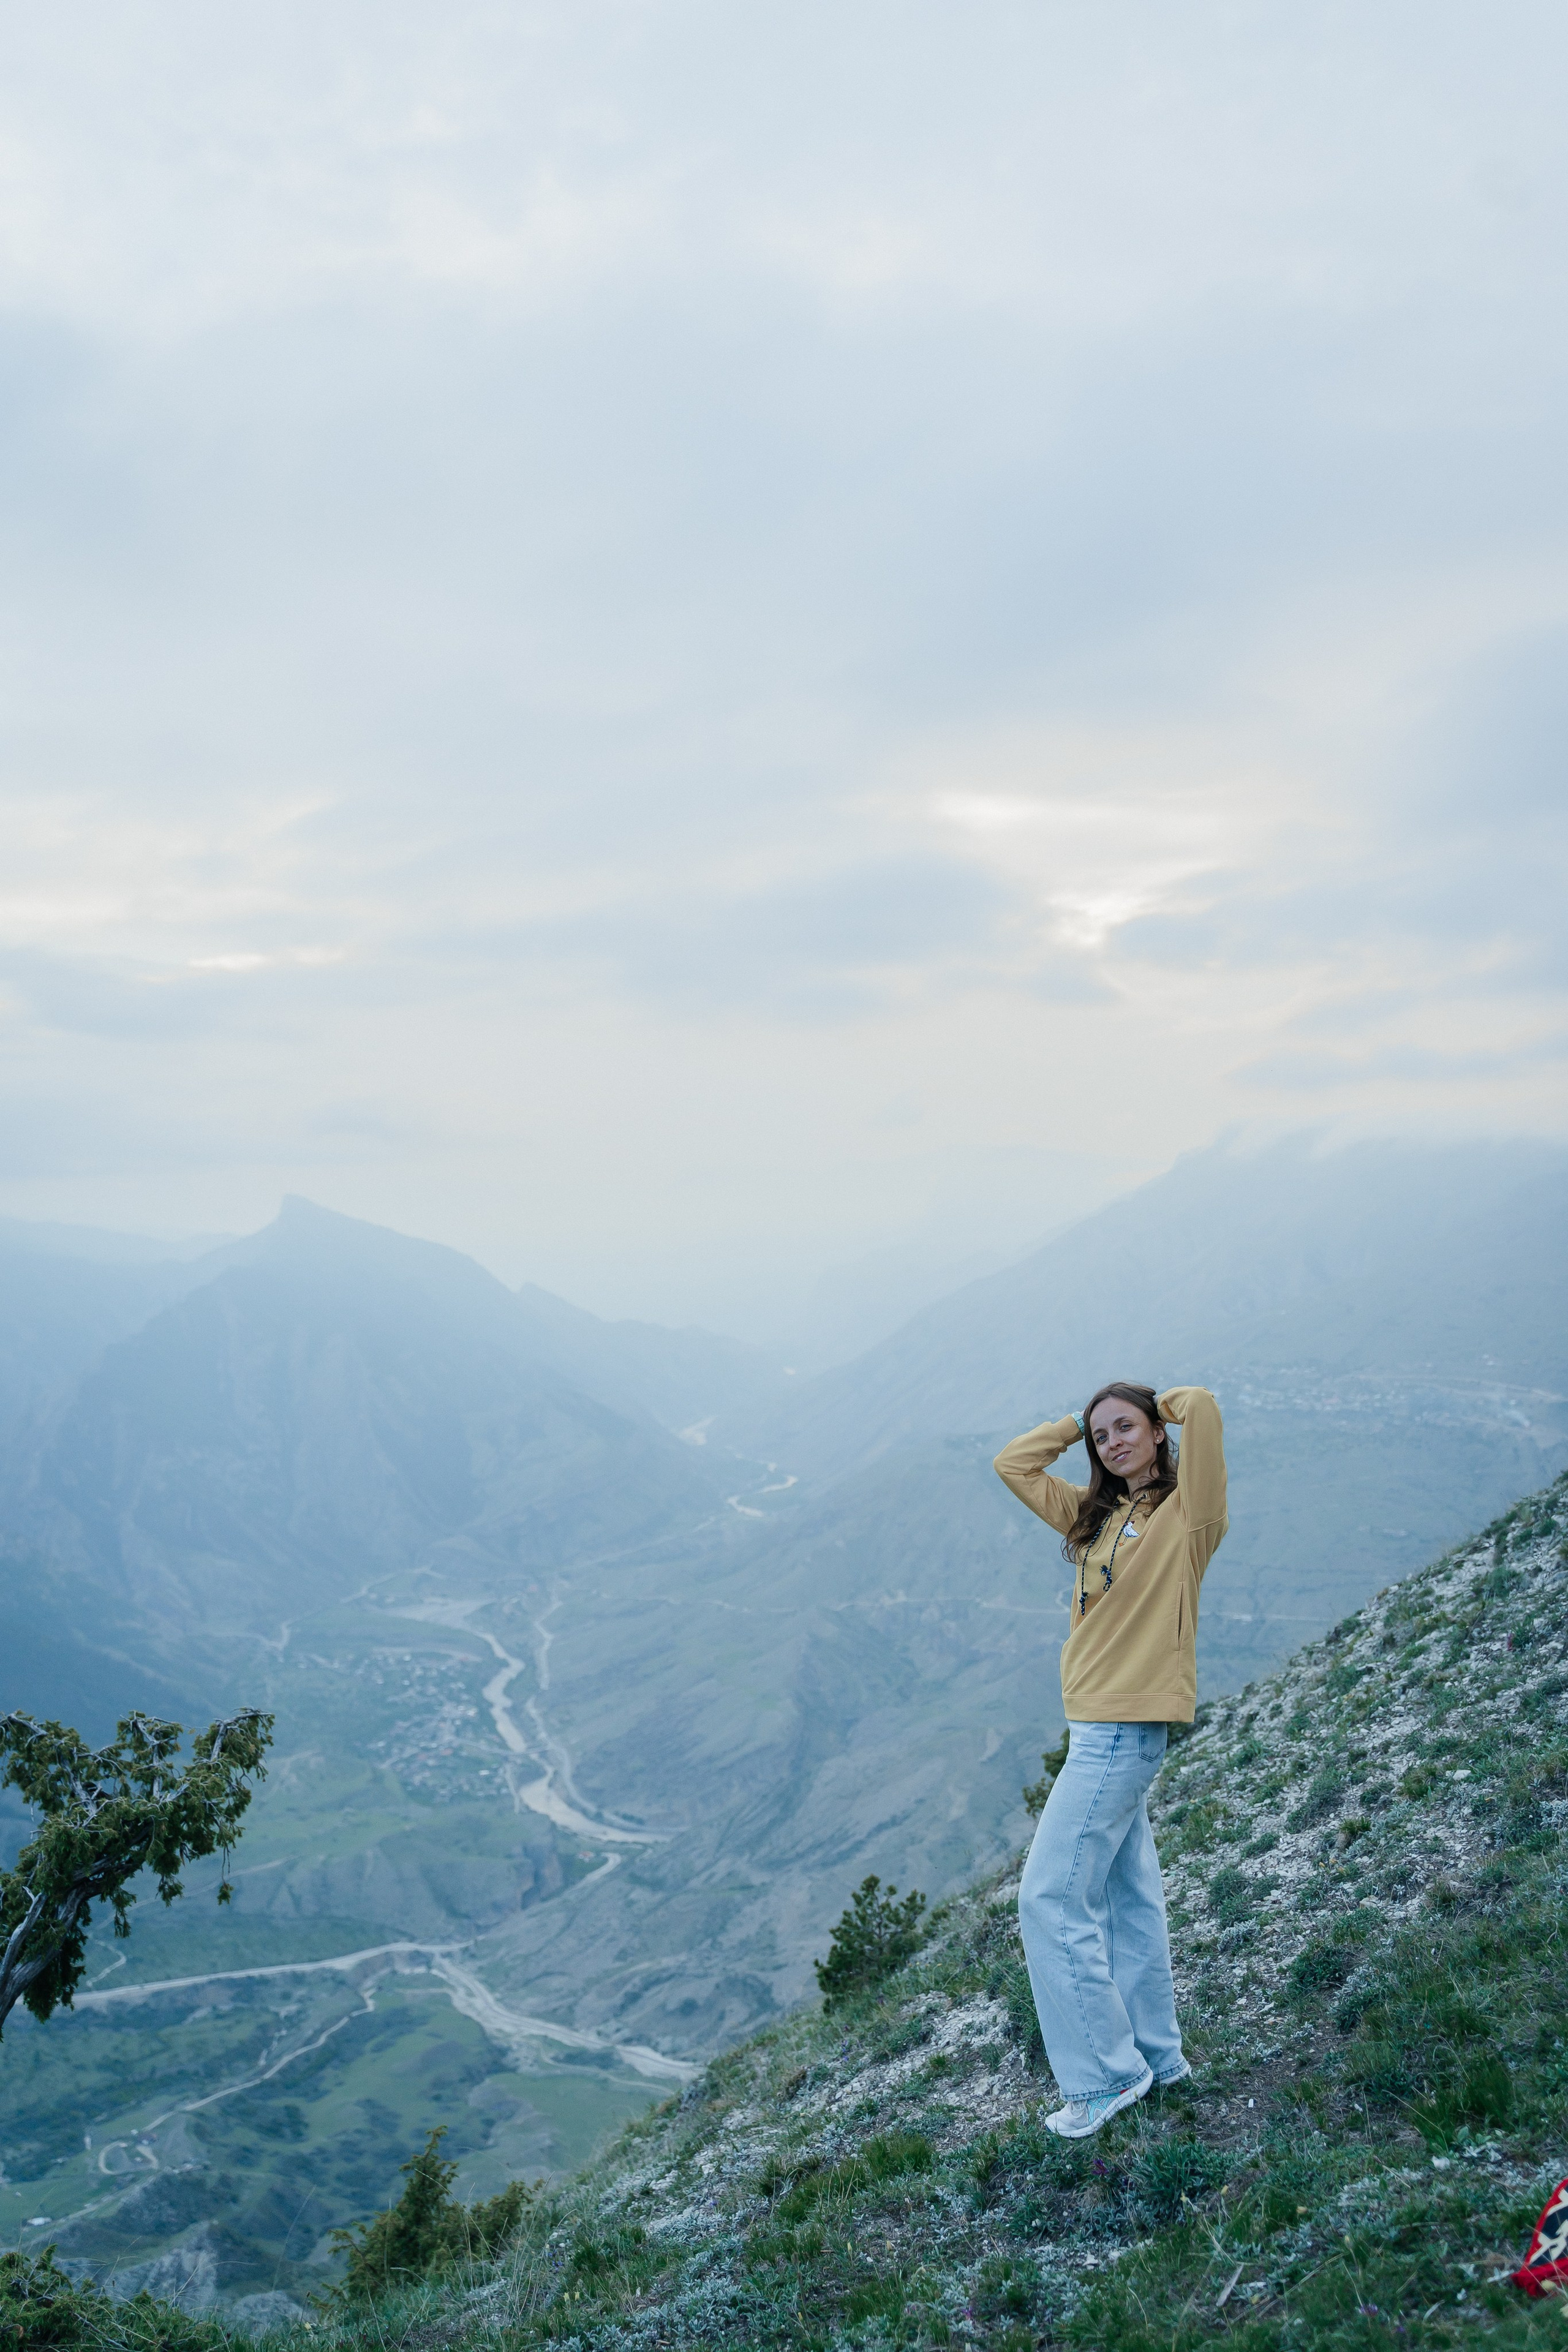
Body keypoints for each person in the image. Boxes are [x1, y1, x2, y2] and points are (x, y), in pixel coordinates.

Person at [993, 1384, 1227, 2138]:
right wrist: (1071, 1420)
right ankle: (1159, 2061)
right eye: (1100, 1436)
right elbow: (1013, 1466)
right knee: (1130, 1906)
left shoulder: (1187, 1516)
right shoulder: (1096, 1518)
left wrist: (1175, 1399)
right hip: (1095, 1726)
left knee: (1050, 1900)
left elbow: (1209, 1424)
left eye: (1126, 1427)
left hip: (1123, 1729)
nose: (1112, 1442)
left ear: (1159, 1432)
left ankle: (1103, 2077)